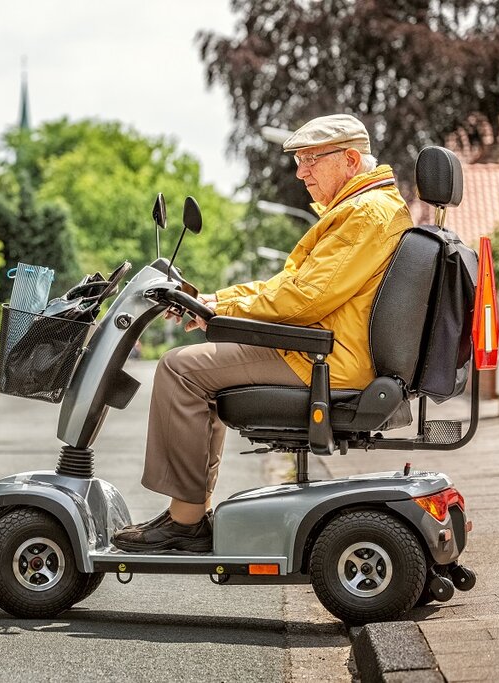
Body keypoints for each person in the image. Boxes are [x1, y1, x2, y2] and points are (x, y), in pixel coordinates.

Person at [112, 114, 414, 553]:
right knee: (198, 366)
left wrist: (223, 308)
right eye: (299, 160)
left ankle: (186, 521)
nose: (300, 171)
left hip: (327, 358)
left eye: (311, 159)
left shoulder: (364, 213)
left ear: (350, 159)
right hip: (328, 349)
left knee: (181, 368)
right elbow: (291, 289)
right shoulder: (365, 209)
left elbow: (304, 300)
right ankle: (188, 514)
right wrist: (215, 303)